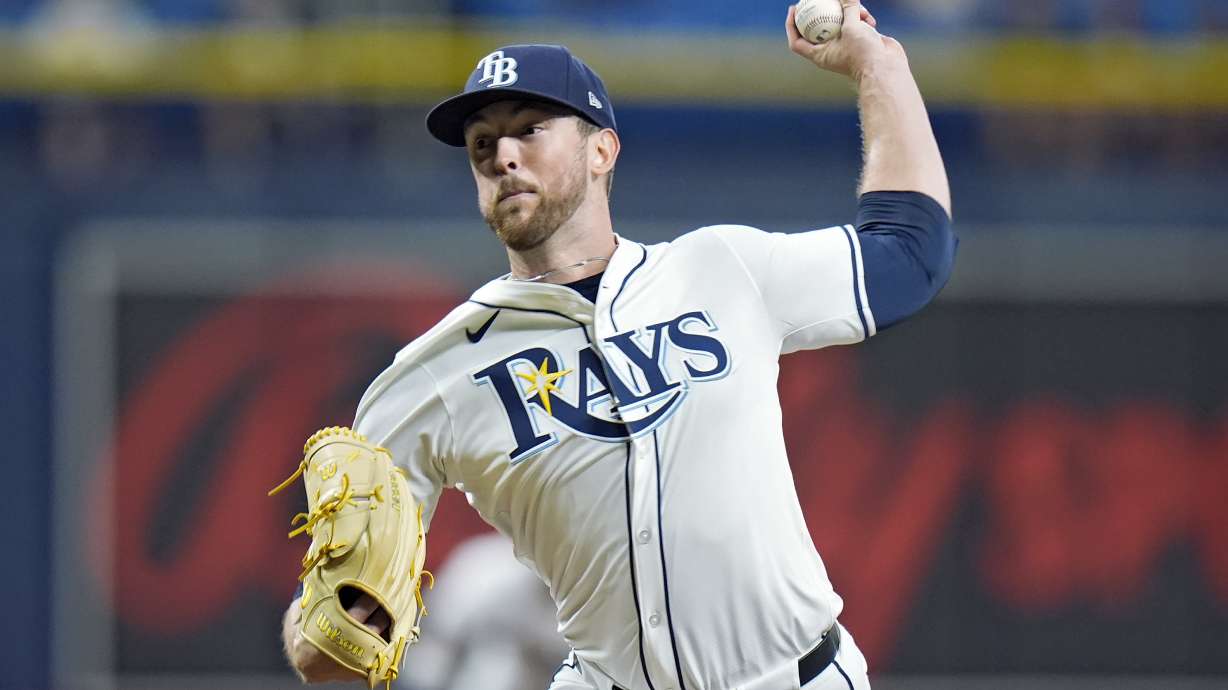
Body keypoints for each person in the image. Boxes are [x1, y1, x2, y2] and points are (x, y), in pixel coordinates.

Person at [281, 2, 956, 688]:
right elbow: (327, 643)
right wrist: (337, 620)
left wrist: (881, 65)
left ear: (602, 149)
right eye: (483, 143)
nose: (502, 155)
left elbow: (911, 253)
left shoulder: (723, 269)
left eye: (529, 130)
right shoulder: (432, 375)